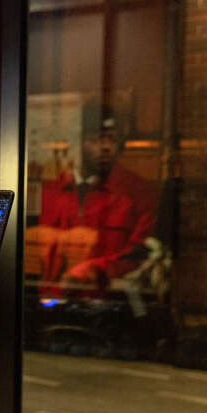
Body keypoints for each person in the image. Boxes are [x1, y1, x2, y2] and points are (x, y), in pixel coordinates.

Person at [34, 101, 157, 293]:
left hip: (107, 301)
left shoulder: (138, 192)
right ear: (77, 143)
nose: (106, 147)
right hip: (50, 301)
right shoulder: (50, 191)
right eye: (96, 140)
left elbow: (140, 253)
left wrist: (93, 270)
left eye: (112, 139)